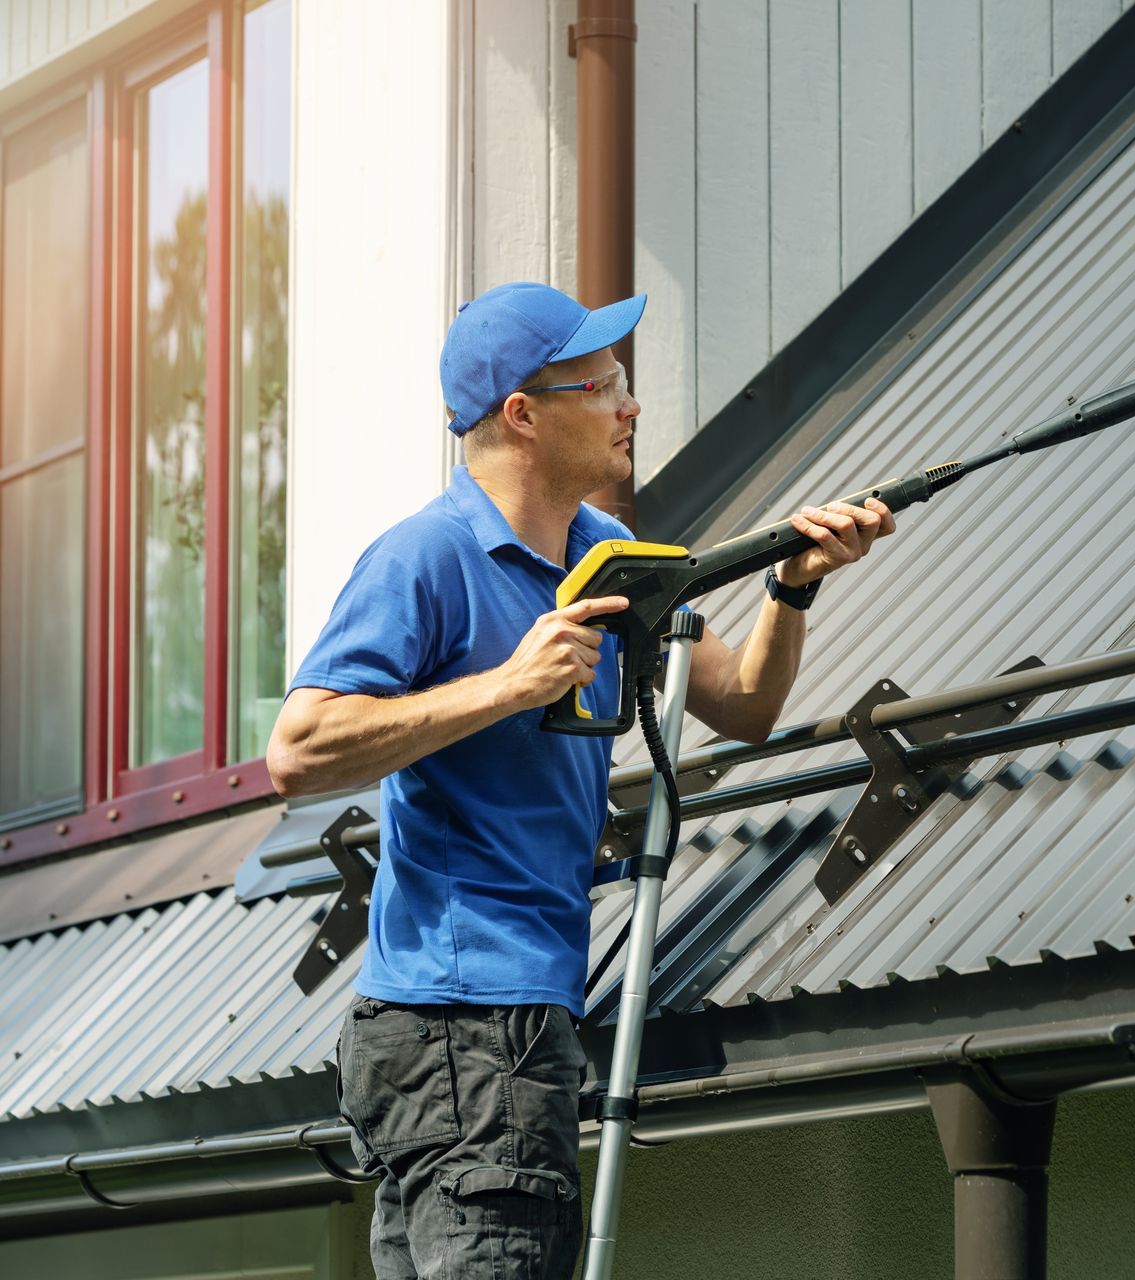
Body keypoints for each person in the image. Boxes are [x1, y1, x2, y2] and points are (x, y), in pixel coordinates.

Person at [267, 282, 894, 1279]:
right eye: (605, 385)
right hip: (465, 1026)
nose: (630, 406)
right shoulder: (425, 557)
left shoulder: (608, 555)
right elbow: (300, 747)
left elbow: (741, 702)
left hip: (482, 1026)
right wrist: (508, 684)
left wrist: (792, 584)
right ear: (525, 412)